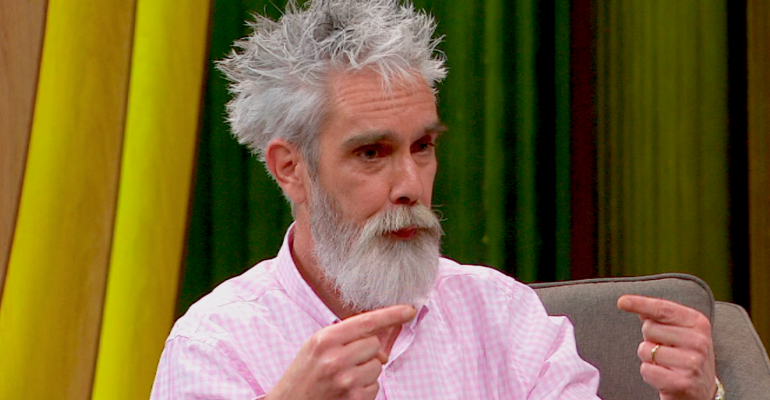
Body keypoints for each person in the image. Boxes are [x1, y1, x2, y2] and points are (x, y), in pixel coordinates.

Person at [151, 1, 720, 399]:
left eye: (422, 147)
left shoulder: (505, 318)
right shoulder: (215, 347)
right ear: (290, 169)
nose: (410, 184)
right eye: (372, 152)